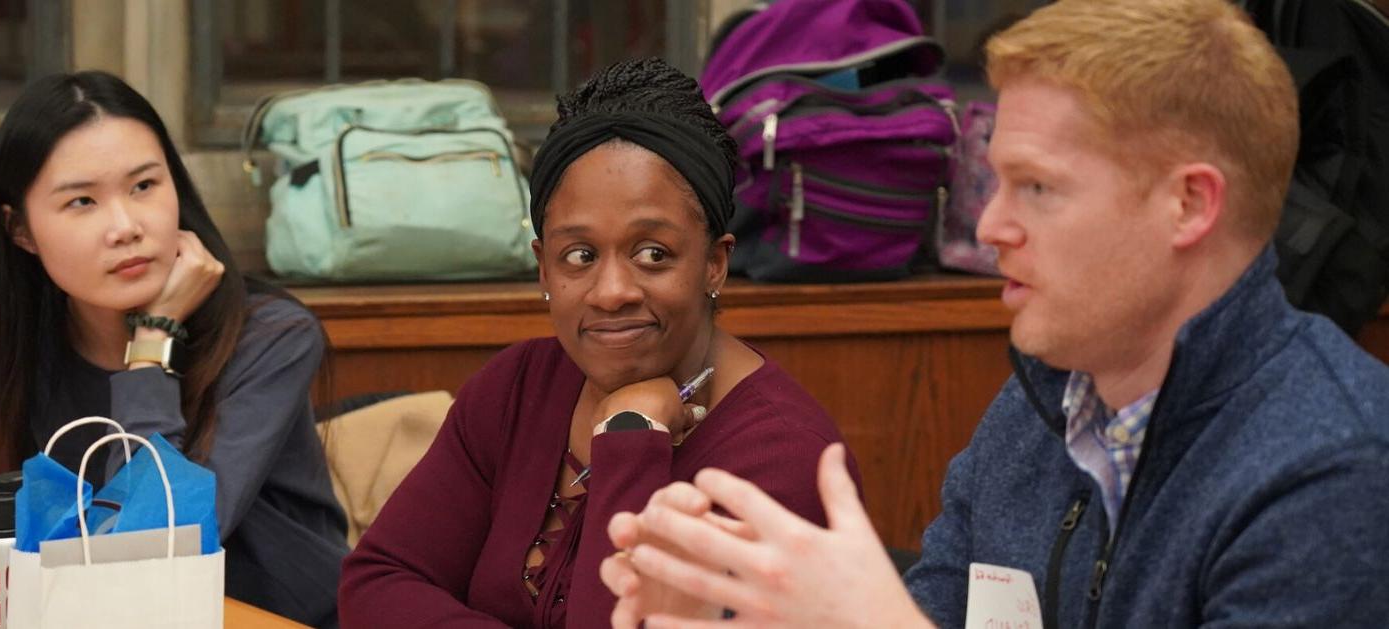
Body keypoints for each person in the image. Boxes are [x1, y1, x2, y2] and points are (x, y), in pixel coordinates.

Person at [598, 0, 1389, 627]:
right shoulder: (1043, 404)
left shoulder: (1334, 468)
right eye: (995, 182)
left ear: (1188, 204)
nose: (989, 227)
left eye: (1037, 188)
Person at [337, 57, 861, 628]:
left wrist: (630, 438)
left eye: (652, 254)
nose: (611, 292)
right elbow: (378, 583)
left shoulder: (780, 462)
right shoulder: (519, 388)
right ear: (544, 270)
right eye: (580, 256)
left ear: (714, 263)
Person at [0, 71, 348, 628]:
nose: (126, 227)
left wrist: (153, 341)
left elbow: (158, 548)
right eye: (82, 201)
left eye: (144, 186)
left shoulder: (271, 337)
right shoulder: (19, 354)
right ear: (21, 231)